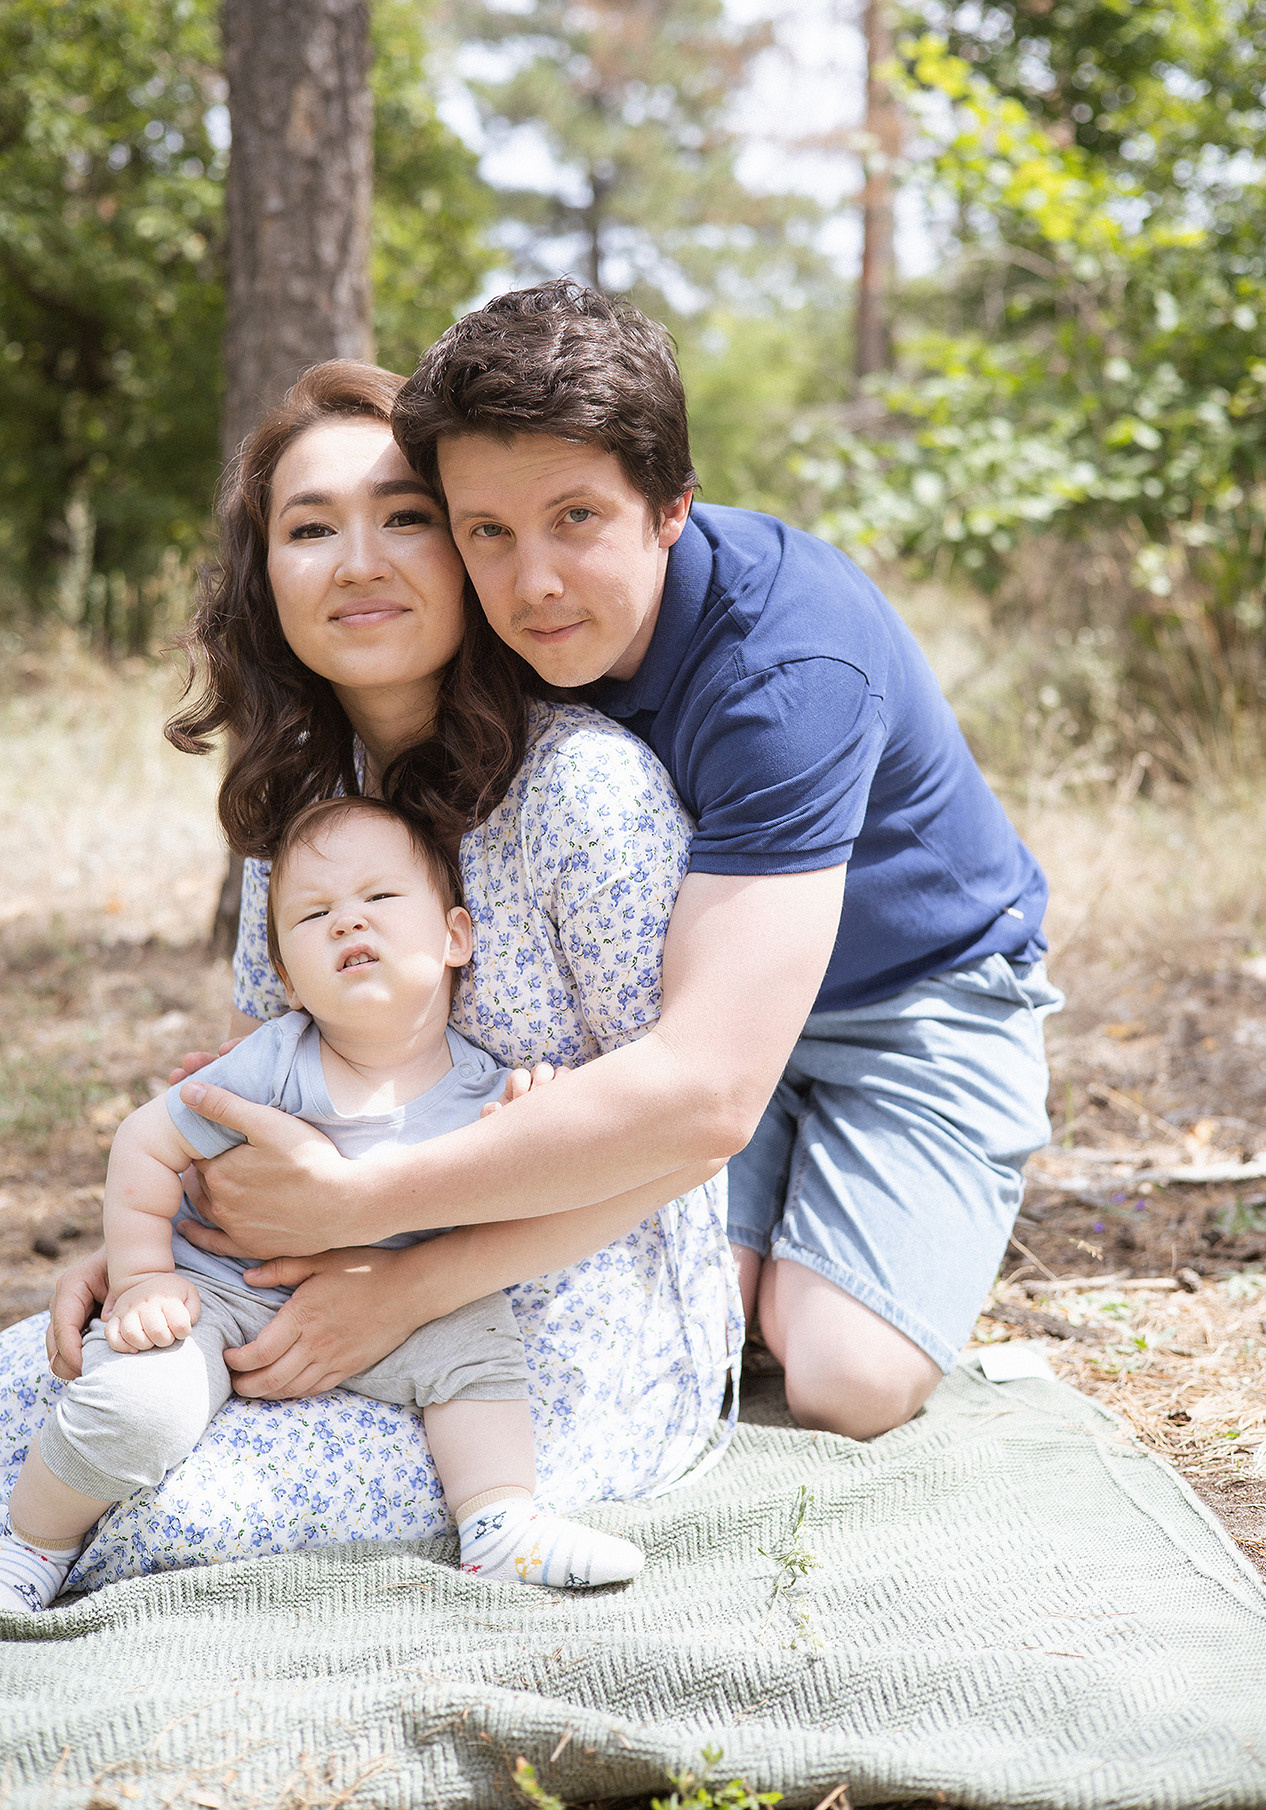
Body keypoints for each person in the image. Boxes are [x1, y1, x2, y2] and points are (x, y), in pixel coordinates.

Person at [143, 282, 1061, 1446]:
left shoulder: (787, 668)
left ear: (671, 507)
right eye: (488, 530)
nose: (534, 583)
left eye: (577, 517)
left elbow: (708, 1089)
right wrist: (153, 1253)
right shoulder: (501, 631)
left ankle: (865, 1238)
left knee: (843, 1374)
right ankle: (759, 1251)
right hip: (686, 1009)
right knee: (659, 1291)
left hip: (906, 1002)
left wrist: (372, 1213)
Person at [10, 359, 736, 1593]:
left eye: (405, 515)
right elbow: (256, 1105)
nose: (358, 561)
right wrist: (151, 1258)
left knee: (156, 1521)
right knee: (36, 1401)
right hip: (276, 1290)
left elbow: (685, 1138)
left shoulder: (586, 796)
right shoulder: (302, 809)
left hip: (533, 1330)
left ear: (466, 546)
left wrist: (403, 1283)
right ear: (265, 575)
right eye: (309, 528)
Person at [0, 798, 643, 1611]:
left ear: (456, 938)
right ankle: (32, 1545)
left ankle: (500, 1523)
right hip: (224, 1289)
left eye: (378, 899)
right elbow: (145, 1142)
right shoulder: (273, 1061)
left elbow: (542, 1177)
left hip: (386, 1290)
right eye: (314, 914)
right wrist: (140, 1277)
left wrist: (538, 1113)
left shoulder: (486, 1088)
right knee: (139, 1406)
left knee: (478, 1338)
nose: (347, 922)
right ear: (288, 971)